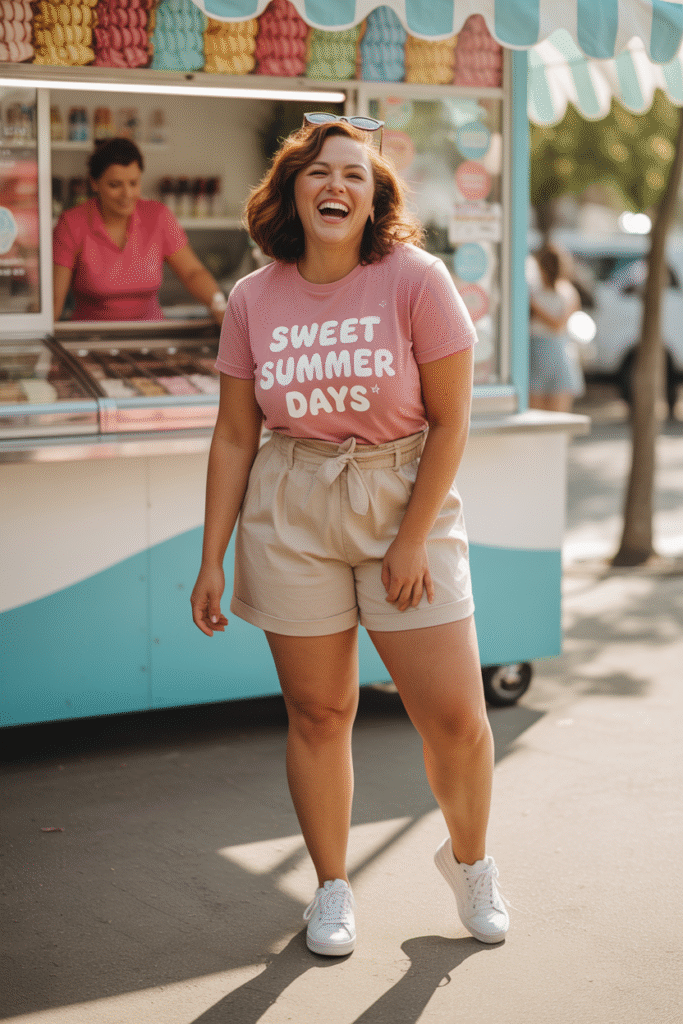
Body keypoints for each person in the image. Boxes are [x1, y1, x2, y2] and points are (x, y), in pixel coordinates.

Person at [190, 115, 509, 955]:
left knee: (454, 719)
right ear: (293, 190)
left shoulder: (416, 279)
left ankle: (471, 862)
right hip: (290, 506)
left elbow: (451, 422)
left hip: (403, 499)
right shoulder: (253, 298)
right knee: (319, 712)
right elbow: (235, 435)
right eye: (319, 172)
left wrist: (410, 540)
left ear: (374, 201)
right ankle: (331, 888)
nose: (335, 185)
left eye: (354, 176)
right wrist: (210, 556)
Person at [52, 137, 227, 324]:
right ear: (94, 183)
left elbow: (192, 272)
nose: (127, 194)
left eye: (133, 183)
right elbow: (54, 300)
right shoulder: (71, 223)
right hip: (91, 335)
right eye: (115, 185)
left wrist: (219, 305)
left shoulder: (158, 216)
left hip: (150, 333)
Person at [528, 243, 584, 412]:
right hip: (550, 352)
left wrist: (535, 307)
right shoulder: (565, 292)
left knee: (542, 415)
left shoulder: (562, 292)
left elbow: (559, 324)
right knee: (554, 416)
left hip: (547, 351)